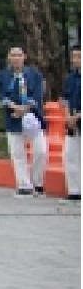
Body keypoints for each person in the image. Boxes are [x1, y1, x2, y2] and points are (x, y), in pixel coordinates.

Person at [0, 47, 48, 196]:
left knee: (41, 151)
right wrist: (14, 107)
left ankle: (38, 182)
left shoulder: (34, 74)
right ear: (8, 58)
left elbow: (37, 96)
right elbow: (1, 97)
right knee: (18, 153)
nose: (16, 58)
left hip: (33, 117)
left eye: (19, 55)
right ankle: (24, 185)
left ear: (24, 57)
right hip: (13, 117)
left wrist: (25, 109)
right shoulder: (3, 76)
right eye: (13, 55)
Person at [62, 46, 80, 202]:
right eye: (74, 57)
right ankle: (74, 190)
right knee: (70, 155)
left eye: (79, 57)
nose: (76, 60)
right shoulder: (71, 78)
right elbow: (65, 98)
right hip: (72, 123)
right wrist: (68, 117)